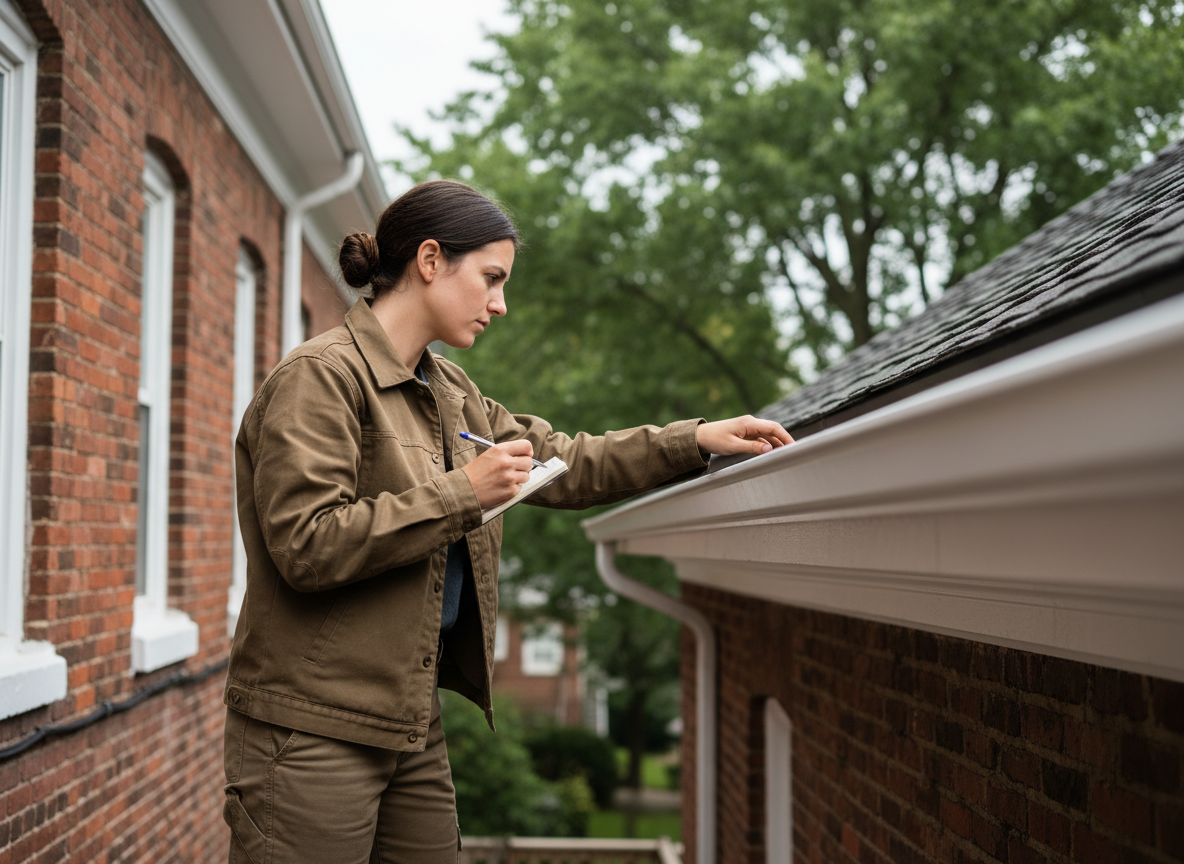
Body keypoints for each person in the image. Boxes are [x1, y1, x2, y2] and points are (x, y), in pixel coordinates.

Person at [221, 179, 792, 863]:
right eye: (491, 279)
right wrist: (464, 493)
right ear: (431, 261)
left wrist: (693, 441)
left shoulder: (452, 391)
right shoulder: (320, 377)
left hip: (409, 718)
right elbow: (306, 545)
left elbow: (563, 461)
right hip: (309, 731)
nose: (502, 303)